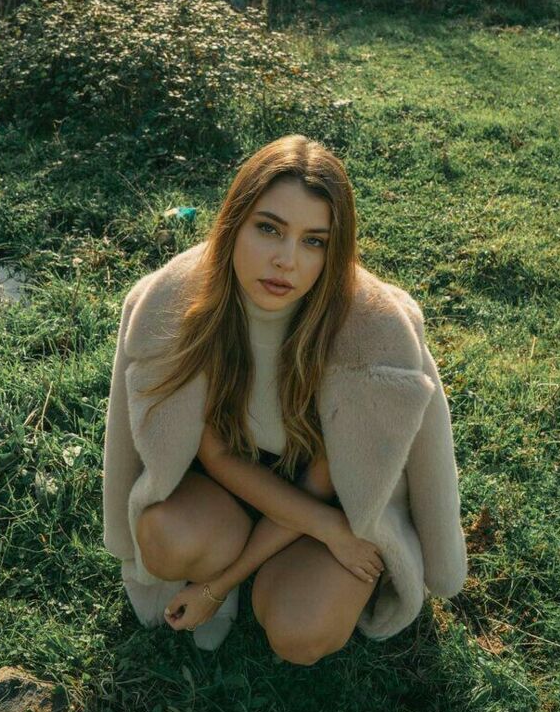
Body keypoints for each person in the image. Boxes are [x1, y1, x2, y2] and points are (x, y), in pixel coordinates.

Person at [103, 134, 468, 661]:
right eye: (269, 229)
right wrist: (229, 578)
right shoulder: (180, 306)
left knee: (301, 634)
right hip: (232, 480)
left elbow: (324, 480)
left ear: (333, 253)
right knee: (163, 538)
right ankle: (231, 555)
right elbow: (217, 456)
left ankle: (274, 575)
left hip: (333, 498)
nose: (286, 261)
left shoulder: (366, 335)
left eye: (313, 241)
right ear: (234, 223)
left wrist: (222, 583)